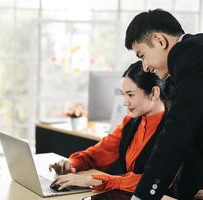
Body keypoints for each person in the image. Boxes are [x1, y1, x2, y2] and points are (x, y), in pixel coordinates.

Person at [125, 8, 203, 200]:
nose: (145, 67)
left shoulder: (188, 52)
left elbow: (178, 131)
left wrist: (143, 197)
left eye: (142, 55)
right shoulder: (201, 51)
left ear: (159, 41)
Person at [49, 60, 167, 193]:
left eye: (130, 95)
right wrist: (72, 163)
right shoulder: (130, 122)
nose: (125, 102)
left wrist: (94, 180)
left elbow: (159, 180)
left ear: (154, 93)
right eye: (123, 95)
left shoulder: (174, 128)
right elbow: (99, 153)